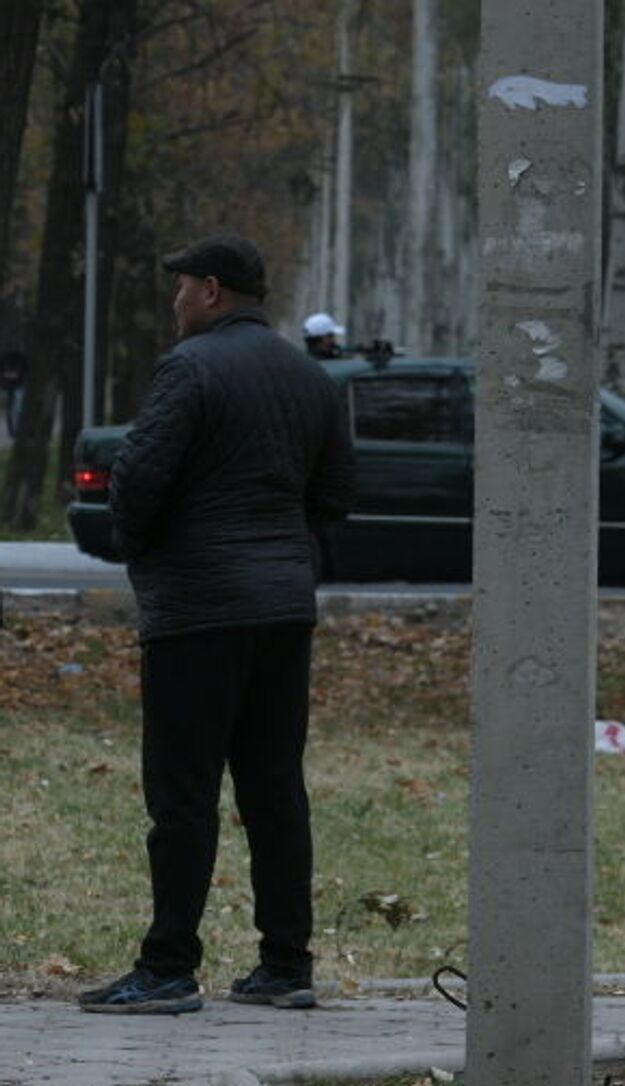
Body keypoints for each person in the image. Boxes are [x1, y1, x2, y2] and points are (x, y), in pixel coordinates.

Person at [77, 234, 355, 1015]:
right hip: (281, 609)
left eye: (180, 288)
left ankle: (167, 967)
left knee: (183, 793)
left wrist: (149, 553)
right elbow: (335, 493)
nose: (175, 302)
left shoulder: (189, 369)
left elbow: (137, 479)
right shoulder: (311, 378)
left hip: (198, 612)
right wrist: (281, 547)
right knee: (274, 789)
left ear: (208, 290)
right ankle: (286, 964)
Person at [0, 350, 24, 436]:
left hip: (16, 386)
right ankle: (12, 431)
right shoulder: (5, 357)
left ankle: (14, 430)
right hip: (12, 386)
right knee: (13, 409)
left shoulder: (20, 357)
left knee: (16, 409)